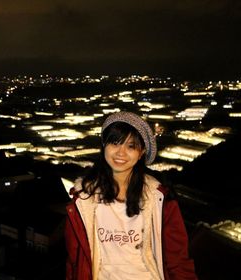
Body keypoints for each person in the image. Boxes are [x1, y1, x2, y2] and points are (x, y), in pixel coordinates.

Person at [65, 111, 198, 280]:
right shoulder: (83, 201)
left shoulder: (159, 199)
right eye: (115, 143)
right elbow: (75, 261)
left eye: (131, 146)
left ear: (141, 152)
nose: (121, 153)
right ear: (104, 145)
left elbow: (178, 261)